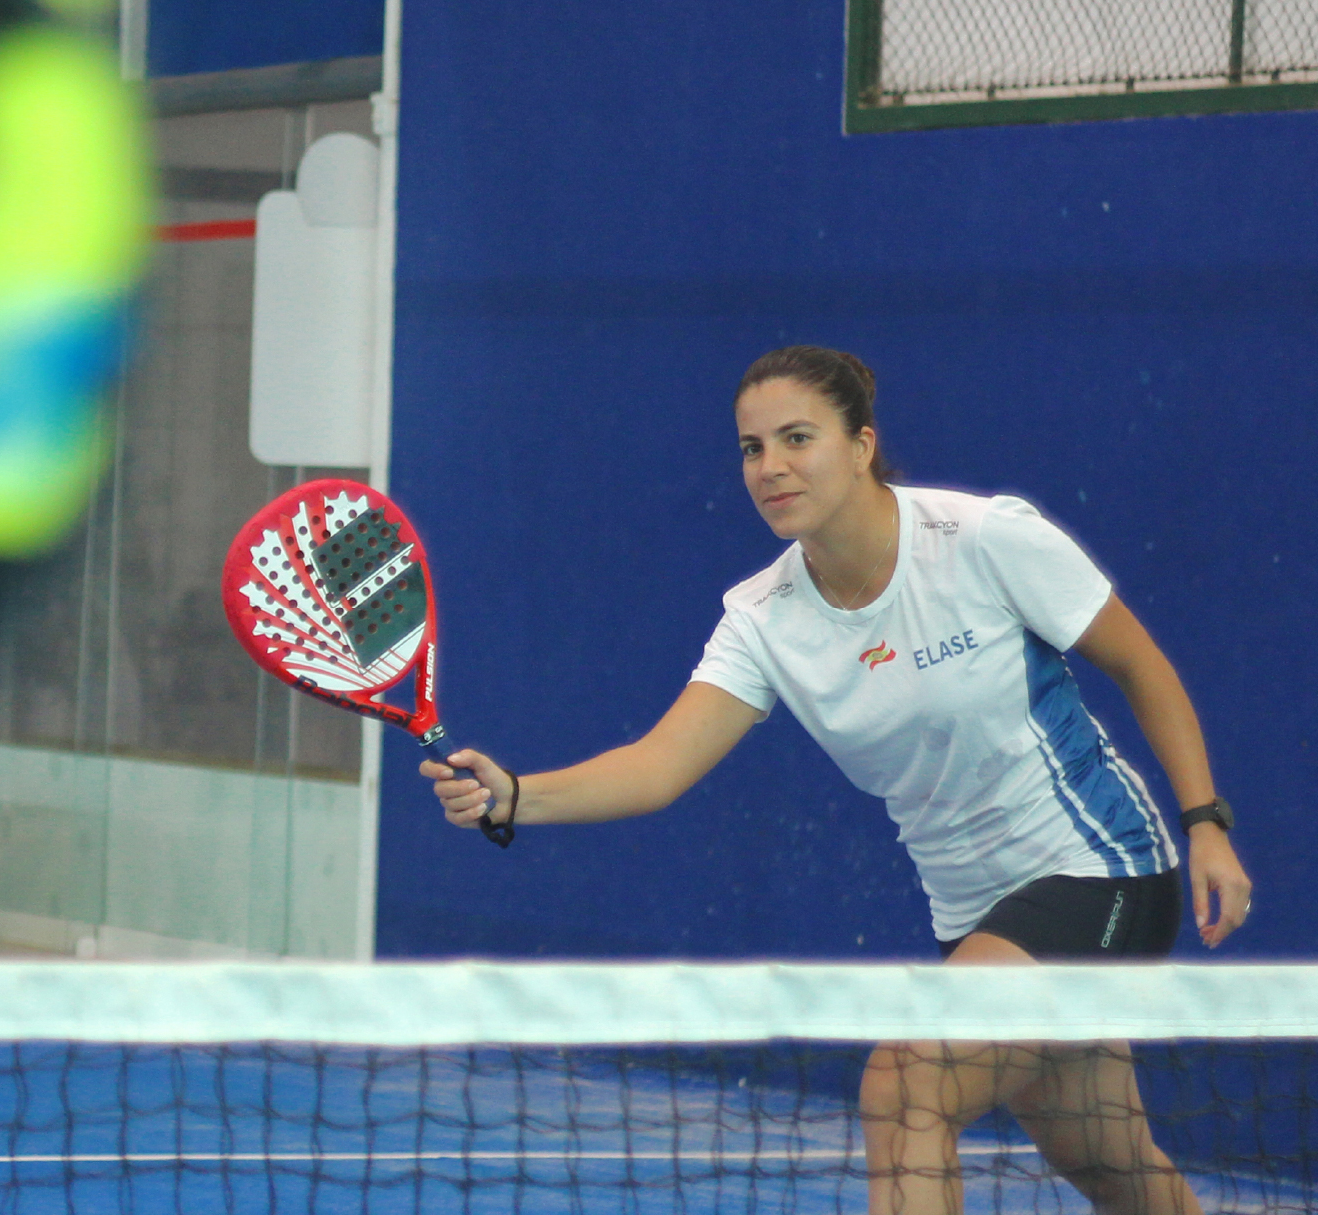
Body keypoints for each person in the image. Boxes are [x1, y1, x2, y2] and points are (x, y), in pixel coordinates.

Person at [421, 345, 1253, 1215]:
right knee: (1111, 1165)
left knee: (906, 1087)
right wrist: (515, 794)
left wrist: (1205, 820)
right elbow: (659, 766)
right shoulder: (762, 618)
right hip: (976, 914)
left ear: (861, 444)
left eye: (796, 438)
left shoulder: (981, 541)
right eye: (751, 448)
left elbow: (1141, 663)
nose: (770, 466)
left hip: (1100, 869)